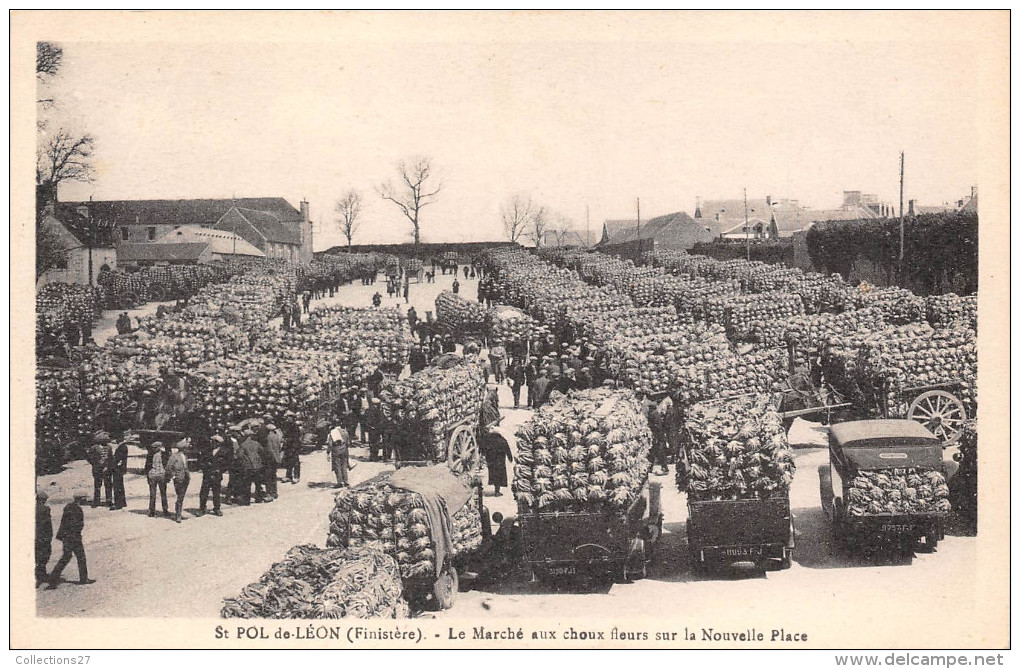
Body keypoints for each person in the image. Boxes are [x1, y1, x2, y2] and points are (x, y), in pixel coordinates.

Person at [46, 491, 95, 589]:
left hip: (66, 536)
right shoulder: (77, 509)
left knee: (66, 557)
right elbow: (75, 525)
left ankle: (53, 578)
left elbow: (64, 522)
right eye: (84, 498)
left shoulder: (68, 507)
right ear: (81, 499)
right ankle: (83, 579)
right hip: (74, 537)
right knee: (81, 557)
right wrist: (76, 535)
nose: (86, 500)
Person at [198, 436, 225, 516]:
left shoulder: (224, 452)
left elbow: (227, 463)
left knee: (216, 493)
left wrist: (220, 470)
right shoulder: (206, 451)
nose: (213, 443)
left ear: (219, 443)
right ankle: (202, 509)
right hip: (207, 474)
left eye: (215, 442)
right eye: (212, 441)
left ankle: (217, 509)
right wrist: (205, 467)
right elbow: (201, 461)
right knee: (204, 492)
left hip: (217, 475)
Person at [482, 431, 513, 496]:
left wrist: (484, 455)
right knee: (499, 475)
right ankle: (497, 491)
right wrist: (510, 458)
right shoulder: (502, 440)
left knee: (493, 474)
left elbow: (483, 448)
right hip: (500, 462)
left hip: (491, 461)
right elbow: (507, 449)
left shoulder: (488, 440)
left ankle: (496, 490)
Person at [237, 428, 263, 505]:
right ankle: (258, 498)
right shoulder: (256, 443)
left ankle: (247, 500)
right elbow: (262, 451)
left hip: (248, 467)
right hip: (257, 466)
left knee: (247, 484)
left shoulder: (243, 445)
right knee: (258, 483)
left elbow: (239, 455)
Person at [167, 439, 191, 523]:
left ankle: (179, 513)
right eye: (186, 448)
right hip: (178, 478)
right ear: (182, 448)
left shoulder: (185, 456)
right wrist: (173, 476)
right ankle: (178, 515)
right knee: (180, 497)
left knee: (181, 496)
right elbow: (168, 468)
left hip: (186, 478)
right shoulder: (174, 456)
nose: (187, 449)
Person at [86, 432, 112, 509]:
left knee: (108, 485)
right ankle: (96, 501)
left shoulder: (109, 447)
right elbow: (89, 457)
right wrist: (94, 464)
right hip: (97, 469)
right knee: (97, 485)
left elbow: (110, 458)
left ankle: (109, 500)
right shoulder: (94, 448)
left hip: (107, 469)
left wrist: (108, 465)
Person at [36, 491, 52, 587]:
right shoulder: (45, 509)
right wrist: (49, 536)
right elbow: (47, 524)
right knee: (45, 555)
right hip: (43, 536)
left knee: (37, 555)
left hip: (35, 536)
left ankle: (40, 574)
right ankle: (40, 576)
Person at [110, 436, 128, 510]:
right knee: (120, 485)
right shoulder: (123, 447)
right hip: (121, 469)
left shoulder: (121, 447)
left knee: (117, 486)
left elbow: (118, 460)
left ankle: (118, 504)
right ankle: (123, 502)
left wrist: (112, 465)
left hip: (118, 469)